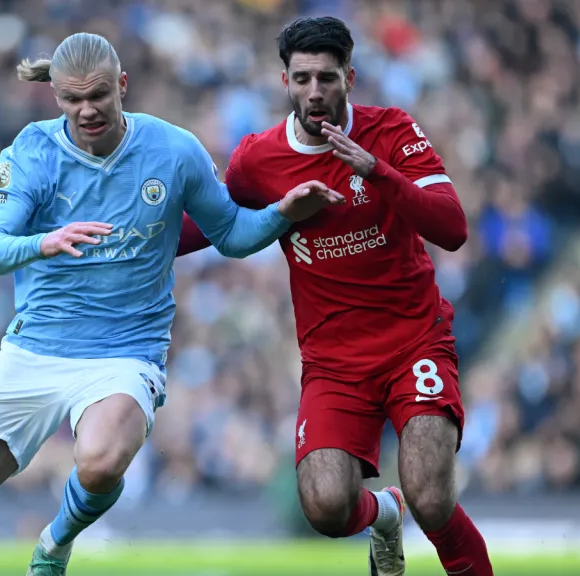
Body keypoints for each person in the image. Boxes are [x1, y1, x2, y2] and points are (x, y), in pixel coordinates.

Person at [0, 32, 343, 576]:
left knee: (103, 460)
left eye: (99, 96)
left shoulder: (173, 151)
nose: (86, 110)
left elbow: (229, 233)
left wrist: (282, 214)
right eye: (72, 100)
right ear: (55, 97)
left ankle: (55, 544)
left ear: (123, 86)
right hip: (34, 351)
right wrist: (44, 241)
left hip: (124, 353)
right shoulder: (31, 153)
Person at [177, 16, 494, 576]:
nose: (315, 92)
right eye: (302, 79)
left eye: (327, 77)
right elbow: (215, 226)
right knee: (325, 506)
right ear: (285, 83)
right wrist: (128, 245)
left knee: (432, 495)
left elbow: (453, 227)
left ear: (350, 76)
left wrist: (379, 173)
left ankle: (415, 512)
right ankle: (384, 513)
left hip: (413, 342)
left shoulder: (391, 132)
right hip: (334, 365)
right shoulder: (258, 161)